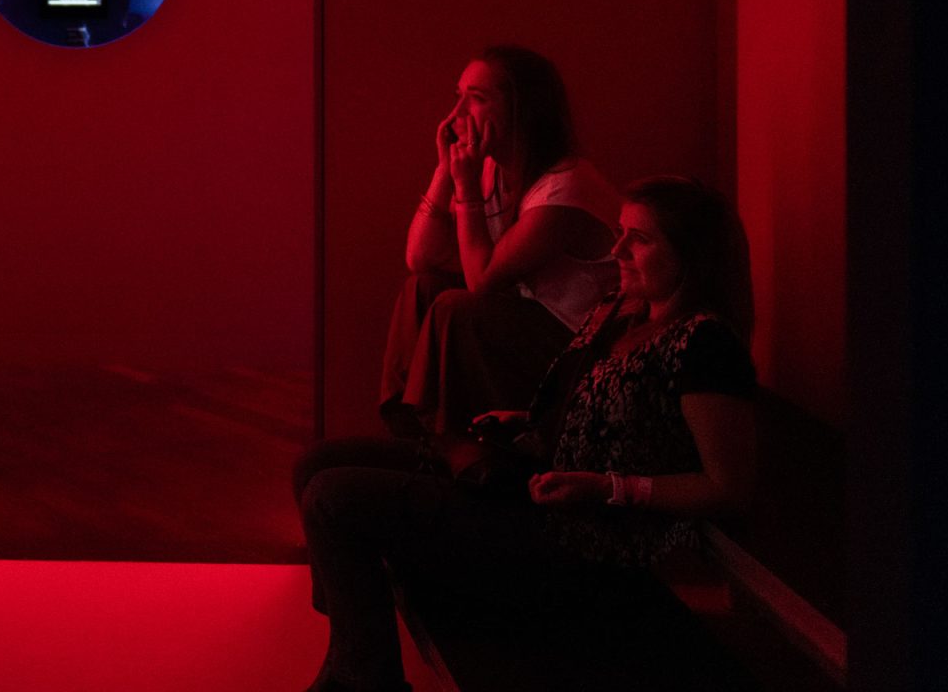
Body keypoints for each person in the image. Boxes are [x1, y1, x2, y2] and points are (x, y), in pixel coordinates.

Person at [294, 177, 759, 692]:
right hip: (538, 488)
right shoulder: (622, 312)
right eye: (621, 232)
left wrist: (607, 487)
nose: (617, 249)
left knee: (333, 499)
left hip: (583, 540)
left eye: (640, 239)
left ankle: (363, 678)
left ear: (691, 256)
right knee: (318, 463)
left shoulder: (704, 345)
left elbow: (726, 487)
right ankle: (352, 648)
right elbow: (596, 409)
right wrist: (525, 420)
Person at [378, 46, 618, 438]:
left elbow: (482, 280)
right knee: (422, 288)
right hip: (529, 321)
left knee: (456, 308)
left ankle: (445, 441)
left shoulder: (564, 188)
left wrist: (466, 187)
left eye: (477, 99)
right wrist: (444, 171)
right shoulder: (492, 170)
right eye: (459, 96)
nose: (456, 115)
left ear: (520, 110)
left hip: (577, 348)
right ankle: (408, 429)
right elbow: (419, 257)